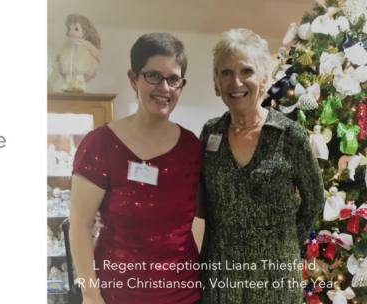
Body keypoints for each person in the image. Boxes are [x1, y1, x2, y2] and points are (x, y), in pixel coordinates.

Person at [70, 33, 202, 304]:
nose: (164, 88)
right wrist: (90, 295)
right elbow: (79, 227)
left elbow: (200, 213)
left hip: (184, 295)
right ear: (133, 79)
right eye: (154, 75)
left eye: (173, 79)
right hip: (117, 295)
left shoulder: (191, 146)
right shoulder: (101, 144)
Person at [199, 28, 324, 303]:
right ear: (216, 82)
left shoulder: (289, 135)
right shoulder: (210, 133)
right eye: (226, 72)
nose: (236, 82)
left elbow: (314, 199)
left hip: (275, 282)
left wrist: (285, 242)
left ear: (265, 79)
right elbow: (201, 200)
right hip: (221, 281)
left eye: (246, 71)